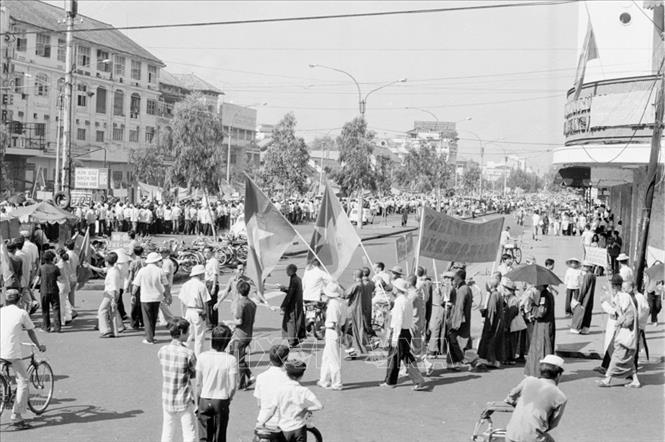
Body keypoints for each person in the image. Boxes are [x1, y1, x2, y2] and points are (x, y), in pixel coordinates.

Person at [0, 290, 47, 426]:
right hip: (11, 352)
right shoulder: (21, 313)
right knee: (23, 380)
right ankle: (17, 416)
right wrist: (39, 346)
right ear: (19, 300)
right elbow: (31, 331)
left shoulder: (1, 311)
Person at [504, 354, 567, 442]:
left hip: (511, 434)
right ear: (559, 375)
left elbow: (510, 397)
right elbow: (552, 424)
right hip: (533, 438)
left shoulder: (528, 381)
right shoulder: (560, 396)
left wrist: (517, 404)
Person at [257, 360, 323, 442]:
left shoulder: (280, 391)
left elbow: (271, 412)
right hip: (299, 428)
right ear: (301, 376)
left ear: (287, 374)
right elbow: (319, 406)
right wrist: (306, 409)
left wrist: (262, 422)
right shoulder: (303, 390)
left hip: (285, 429)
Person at [381, 279, 427, 390]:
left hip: (399, 331)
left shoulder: (399, 301)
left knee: (394, 358)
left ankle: (391, 381)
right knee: (406, 356)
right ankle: (418, 379)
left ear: (397, 289)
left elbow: (398, 320)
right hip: (406, 331)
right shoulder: (407, 300)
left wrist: (395, 337)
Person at [158, 317, 197, 442]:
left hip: (168, 396)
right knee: (189, 432)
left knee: (168, 431)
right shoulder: (188, 353)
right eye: (187, 331)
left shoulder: (162, 351)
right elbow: (194, 373)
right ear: (181, 333)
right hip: (184, 397)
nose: (189, 333)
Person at [196, 324, 237, 442]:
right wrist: (229, 398)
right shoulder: (230, 359)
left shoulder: (202, 357)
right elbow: (233, 386)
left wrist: (197, 403)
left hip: (204, 398)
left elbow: (198, 383)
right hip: (221, 399)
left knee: (204, 436)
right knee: (220, 435)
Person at [598, 279, 641, 388]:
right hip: (625, 340)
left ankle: (607, 379)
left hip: (625, 340)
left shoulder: (629, 310)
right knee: (628, 362)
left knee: (616, 359)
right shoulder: (627, 308)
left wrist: (620, 319)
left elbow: (627, 323)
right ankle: (635, 380)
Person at [133, 252, 169, 344]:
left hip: (145, 297)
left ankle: (149, 338)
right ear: (156, 261)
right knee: (153, 317)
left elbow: (136, 285)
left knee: (147, 318)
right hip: (157, 297)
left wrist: (133, 295)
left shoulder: (142, 270)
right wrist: (168, 295)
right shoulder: (160, 271)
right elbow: (166, 285)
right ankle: (151, 336)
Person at [227, 280, 256, 390]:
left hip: (240, 334)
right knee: (238, 357)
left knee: (237, 360)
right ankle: (250, 376)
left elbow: (239, 321)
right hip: (248, 333)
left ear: (238, 291)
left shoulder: (240, 304)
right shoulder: (252, 304)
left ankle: (242, 383)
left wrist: (229, 322)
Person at [254, 345, 291, 432]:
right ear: (285, 360)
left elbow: (259, 404)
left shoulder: (260, 377)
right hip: (283, 422)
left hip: (264, 420)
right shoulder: (289, 378)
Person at [524, 285, 556, 377]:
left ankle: (541, 372)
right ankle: (544, 371)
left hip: (544, 326)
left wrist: (532, 305)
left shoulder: (544, 296)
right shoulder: (548, 294)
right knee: (544, 347)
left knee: (542, 348)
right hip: (546, 324)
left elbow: (541, 312)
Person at [178, 264, 210, 356]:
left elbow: (181, 301)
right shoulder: (201, 285)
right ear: (200, 274)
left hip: (188, 311)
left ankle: (184, 353)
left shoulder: (185, 284)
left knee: (187, 334)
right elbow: (205, 302)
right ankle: (197, 357)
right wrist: (206, 314)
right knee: (199, 336)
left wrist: (183, 314)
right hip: (198, 311)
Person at [317, 282, 344, 390]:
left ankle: (337, 382)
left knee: (333, 359)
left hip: (332, 331)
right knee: (327, 357)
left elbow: (333, 322)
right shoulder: (339, 303)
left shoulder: (333, 305)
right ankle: (324, 379)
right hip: (333, 331)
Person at [477, 272, 505, 368]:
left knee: (490, 341)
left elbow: (492, 312)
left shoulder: (494, 296)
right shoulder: (498, 294)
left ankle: (490, 360)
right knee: (495, 342)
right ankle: (493, 360)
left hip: (493, 323)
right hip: (498, 322)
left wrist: (489, 324)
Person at [446, 269, 473, 369]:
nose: (454, 279)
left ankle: (460, 360)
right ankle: (454, 362)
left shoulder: (462, 290)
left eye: (455, 277)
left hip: (460, 320)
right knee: (455, 340)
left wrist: (455, 323)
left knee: (453, 339)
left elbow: (459, 307)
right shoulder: (467, 288)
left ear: (459, 277)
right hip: (464, 319)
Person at [98, 252, 125, 337]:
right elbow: (102, 270)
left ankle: (105, 330)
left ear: (107, 262)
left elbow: (113, 287)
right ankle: (119, 326)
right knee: (113, 311)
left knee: (102, 311)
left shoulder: (113, 272)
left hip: (111, 294)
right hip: (112, 293)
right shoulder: (113, 269)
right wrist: (89, 266)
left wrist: (113, 300)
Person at [344, 269, 370, 356]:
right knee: (357, 328)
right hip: (360, 308)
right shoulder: (363, 284)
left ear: (354, 276)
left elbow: (346, 295)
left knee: (348, 329)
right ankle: (360, 346)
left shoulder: (356, 285)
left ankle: (350, 348)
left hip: (353, 309)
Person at [280, 264, 306, 348]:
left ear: (291, 271)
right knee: (296, 322)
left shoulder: (294, 280)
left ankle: (292, 341)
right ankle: (295, 339)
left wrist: (283, 306)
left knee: (291, 322)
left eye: (287, 270)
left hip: (293, 305)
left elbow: (290, 294)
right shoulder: (296, 279)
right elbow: (291, 290)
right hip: (297, 304)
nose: (286, 272)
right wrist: (285, 289)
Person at [37, 250, 61, 333]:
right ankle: (57, 327)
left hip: (44, 290)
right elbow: (59, 278)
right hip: (54, 290)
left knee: (45, 309)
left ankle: (46, 327)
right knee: (56, 309)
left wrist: (32, 287)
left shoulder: (42, 267)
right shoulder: (55, 267)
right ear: (52, 259)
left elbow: (38, 278)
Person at [570, 261, 596, 334]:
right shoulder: (593, 275)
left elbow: (584, 289)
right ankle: (585, 328)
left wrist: (579, 299)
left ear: (589, 267)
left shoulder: (587, 276)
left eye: (585, 266)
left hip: (585, 297)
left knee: (581, 311)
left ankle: (577, 327)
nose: (583, 267)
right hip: (590, 296)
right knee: (587, 311)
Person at [128, 245, 145, 330]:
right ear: (142, 252)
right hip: (144, 284)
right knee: (142, 303)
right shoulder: (145, 262)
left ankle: (135, 323)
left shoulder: (133, 263)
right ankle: (143, 321)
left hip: (135, 284)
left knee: (134, 304)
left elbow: (130, 276)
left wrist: (127, 285)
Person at [203, 247, 220, 328]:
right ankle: (213, 323)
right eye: (204, 252)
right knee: (210, 304)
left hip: (212, 283)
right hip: (207, 283)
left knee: (209, 304)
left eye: (208, 252)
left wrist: (213, 287)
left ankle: (210, 324)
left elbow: (215, 274)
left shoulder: (214, 261)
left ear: (211, 253)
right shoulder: (208, 261)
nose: (206, 254)